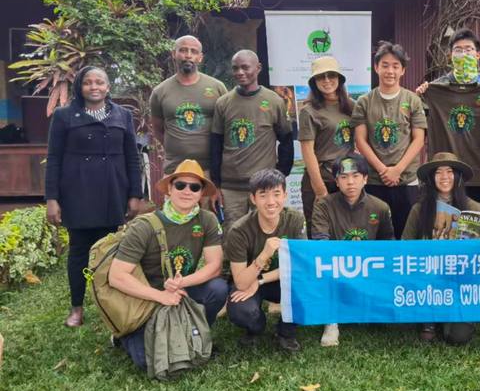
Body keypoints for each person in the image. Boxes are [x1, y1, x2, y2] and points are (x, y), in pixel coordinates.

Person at [45, 66, 142, 328]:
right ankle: (77, 307)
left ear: (108, 87)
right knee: (79, 250)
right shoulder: (64, 116)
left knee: (111, 251)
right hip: (78, 191)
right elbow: (53, 158)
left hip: (113, 190)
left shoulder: (122, 115)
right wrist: (52, 198)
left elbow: (132, 156)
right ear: (80, 87)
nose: (94, 87)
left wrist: (135, 194)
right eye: (88, 83)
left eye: (100, 82)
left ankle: (108, 304)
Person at [108, 159, 228, 372]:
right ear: (170, 189)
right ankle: (123, 336)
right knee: (147, 361)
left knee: (217, 289)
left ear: (201, 193)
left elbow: (215, 266)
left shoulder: (207, 220)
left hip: (181, 288)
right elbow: (117, 276)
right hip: (144, 296)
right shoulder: (144, 226)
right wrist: (161, 296)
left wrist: (182, 282)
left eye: (195, 187)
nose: (187, 191)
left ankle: (195, 332)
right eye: (180, 185)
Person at [417, 29, 480, 214]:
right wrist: (420, 95)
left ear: (478, 54)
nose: (464, 54)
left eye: (468, 49)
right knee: (447, 227)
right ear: (450, 55)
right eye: (458, 50)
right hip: (447, 173)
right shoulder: (436, 89)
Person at [310, 154, 394, 347]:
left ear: (365, 179)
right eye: (344, 177)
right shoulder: (323, 206)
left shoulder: (380, 207)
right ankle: (331, 321)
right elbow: (320, 242)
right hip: (336, 267)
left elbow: (388, 244)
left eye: (356, 176)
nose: (350, 182)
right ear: (336, 181)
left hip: (369, 268)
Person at [401, 152, 480, 344]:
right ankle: (427, 318)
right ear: (431, 178)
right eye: (438, 172)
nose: (444, 177)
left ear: (458, 176)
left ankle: (455, 314)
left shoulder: (474, 208)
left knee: (457, 337)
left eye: (449, 171)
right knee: (429, 333)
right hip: (428, 277)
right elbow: (405, 246)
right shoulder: (419, 209)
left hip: (460, 280)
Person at [210, 50, 294, 232]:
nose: (240, 72)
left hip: (264, 187)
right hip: (231, 188)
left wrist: (281, 174)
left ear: (258, 68)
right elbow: (215, 146)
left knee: (266, 235)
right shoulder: (223, 103)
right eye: (236, 68)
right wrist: (216, 185)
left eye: (245, 67)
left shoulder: (274, 101)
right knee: (233, 237)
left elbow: (286, 140)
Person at [225, 169, 306, 352]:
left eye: (276, 194)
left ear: (285, 195)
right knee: (242, 310)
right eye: (263, 195)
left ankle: (286, 332)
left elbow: (299, 265)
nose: (271, 202)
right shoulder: (239, 231)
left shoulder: (295, 220)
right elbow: (241, 281)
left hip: (278, 280)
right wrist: (263, 255)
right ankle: (255, 328)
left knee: (307, 286)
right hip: (248, 280)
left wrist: (260, 280)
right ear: (253, 198)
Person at [351, 41, 426, 237]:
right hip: (375, 179)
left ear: (403, 70)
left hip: (406, 178)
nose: (390, 71)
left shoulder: (412, 100)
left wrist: (398, 169)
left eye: (395, 66)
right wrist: (384, 170)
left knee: (407, 233)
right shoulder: (364, 102)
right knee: (375, 233)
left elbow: (419, 139)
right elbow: (360, 140)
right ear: (376, 67)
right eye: (385, 65)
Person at [149, 35, 227, 175]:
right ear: (174, 54)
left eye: (194, 51)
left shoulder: (217, 87)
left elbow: (226, 126)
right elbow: (158, 130)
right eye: (183, 50)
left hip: (210, 170)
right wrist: (177, 149)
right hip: (175, 170)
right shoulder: (160, 92)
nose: (188, 56)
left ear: (200, 57)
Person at [297, 56, 355, 226]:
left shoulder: (351, 106)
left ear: (339, 79)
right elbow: (308, 152)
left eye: (332, 75)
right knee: (320, 233)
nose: (327, 80)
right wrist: (320, 189)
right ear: (314, 81)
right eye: (321, 77)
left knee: (345, 231)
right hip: (320, 180)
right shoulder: (309, 111)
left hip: (345, 179)